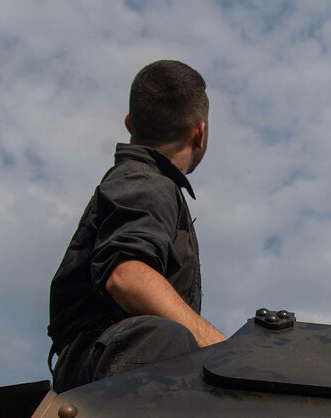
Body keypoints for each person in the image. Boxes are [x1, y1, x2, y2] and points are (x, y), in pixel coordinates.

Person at [47, 60, 225, 393]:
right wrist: (218, 348)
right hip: (103, 361)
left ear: (130, 124)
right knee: (169, 337)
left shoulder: (141, 182)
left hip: (101, 360)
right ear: (199, 133)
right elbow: (127, 276)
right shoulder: (147, 183)